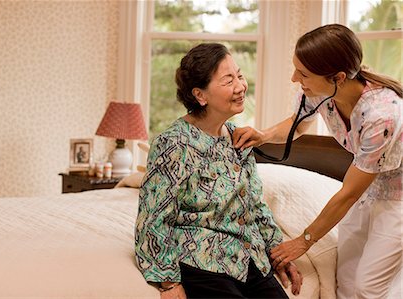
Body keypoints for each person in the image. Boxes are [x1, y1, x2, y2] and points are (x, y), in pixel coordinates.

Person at [233, 24, 402, 299]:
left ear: (338, 77)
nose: (294, 78)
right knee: (346, 283)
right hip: (366, 191)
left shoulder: (382, 115)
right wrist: (262, 136)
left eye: (303, 73)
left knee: (368, 289)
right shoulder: (318, 91)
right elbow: (297, 125)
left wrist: (305, 240)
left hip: (397, 198)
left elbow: (348, 193)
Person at [135, 43, 302, 299]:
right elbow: (154, 217)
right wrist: (168, 281)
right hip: (201, 259)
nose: (240, 86)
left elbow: (255, 206)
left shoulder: (240, 137)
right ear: (200, 95)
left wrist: (278, 253)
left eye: (240, 75)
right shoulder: (174, 143)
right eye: (228, 80)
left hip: (249, 257)